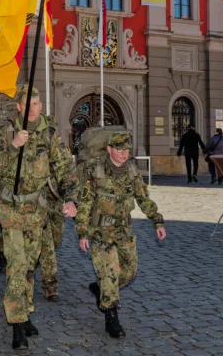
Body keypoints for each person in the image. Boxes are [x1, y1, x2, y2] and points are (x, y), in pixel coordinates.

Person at [0, 85, 78, 351]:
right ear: (19, 107)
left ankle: (24, 310)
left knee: (29, 265)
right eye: (28, 104)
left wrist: (71, 197)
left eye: (36, 104)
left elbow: (63, 166)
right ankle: (17, 324)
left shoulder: (49, 134)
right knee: (16, 264)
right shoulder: (4, 132)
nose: (33, 109)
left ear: (41, 106)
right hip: (11, 209)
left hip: (36, 210)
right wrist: (14, 146)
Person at [76, 130, 166, 338]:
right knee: (109, 273)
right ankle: (111, 316)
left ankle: (101, 289)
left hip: (124, 230)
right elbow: (85, 204)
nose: (124, 153)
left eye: (126, 149)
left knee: (129, 272)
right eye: (119, 149)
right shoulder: (95, 170)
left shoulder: (132, 171)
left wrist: (157, 221)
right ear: (109, 150)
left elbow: (144, 199)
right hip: (101, 232)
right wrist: (82, 232)